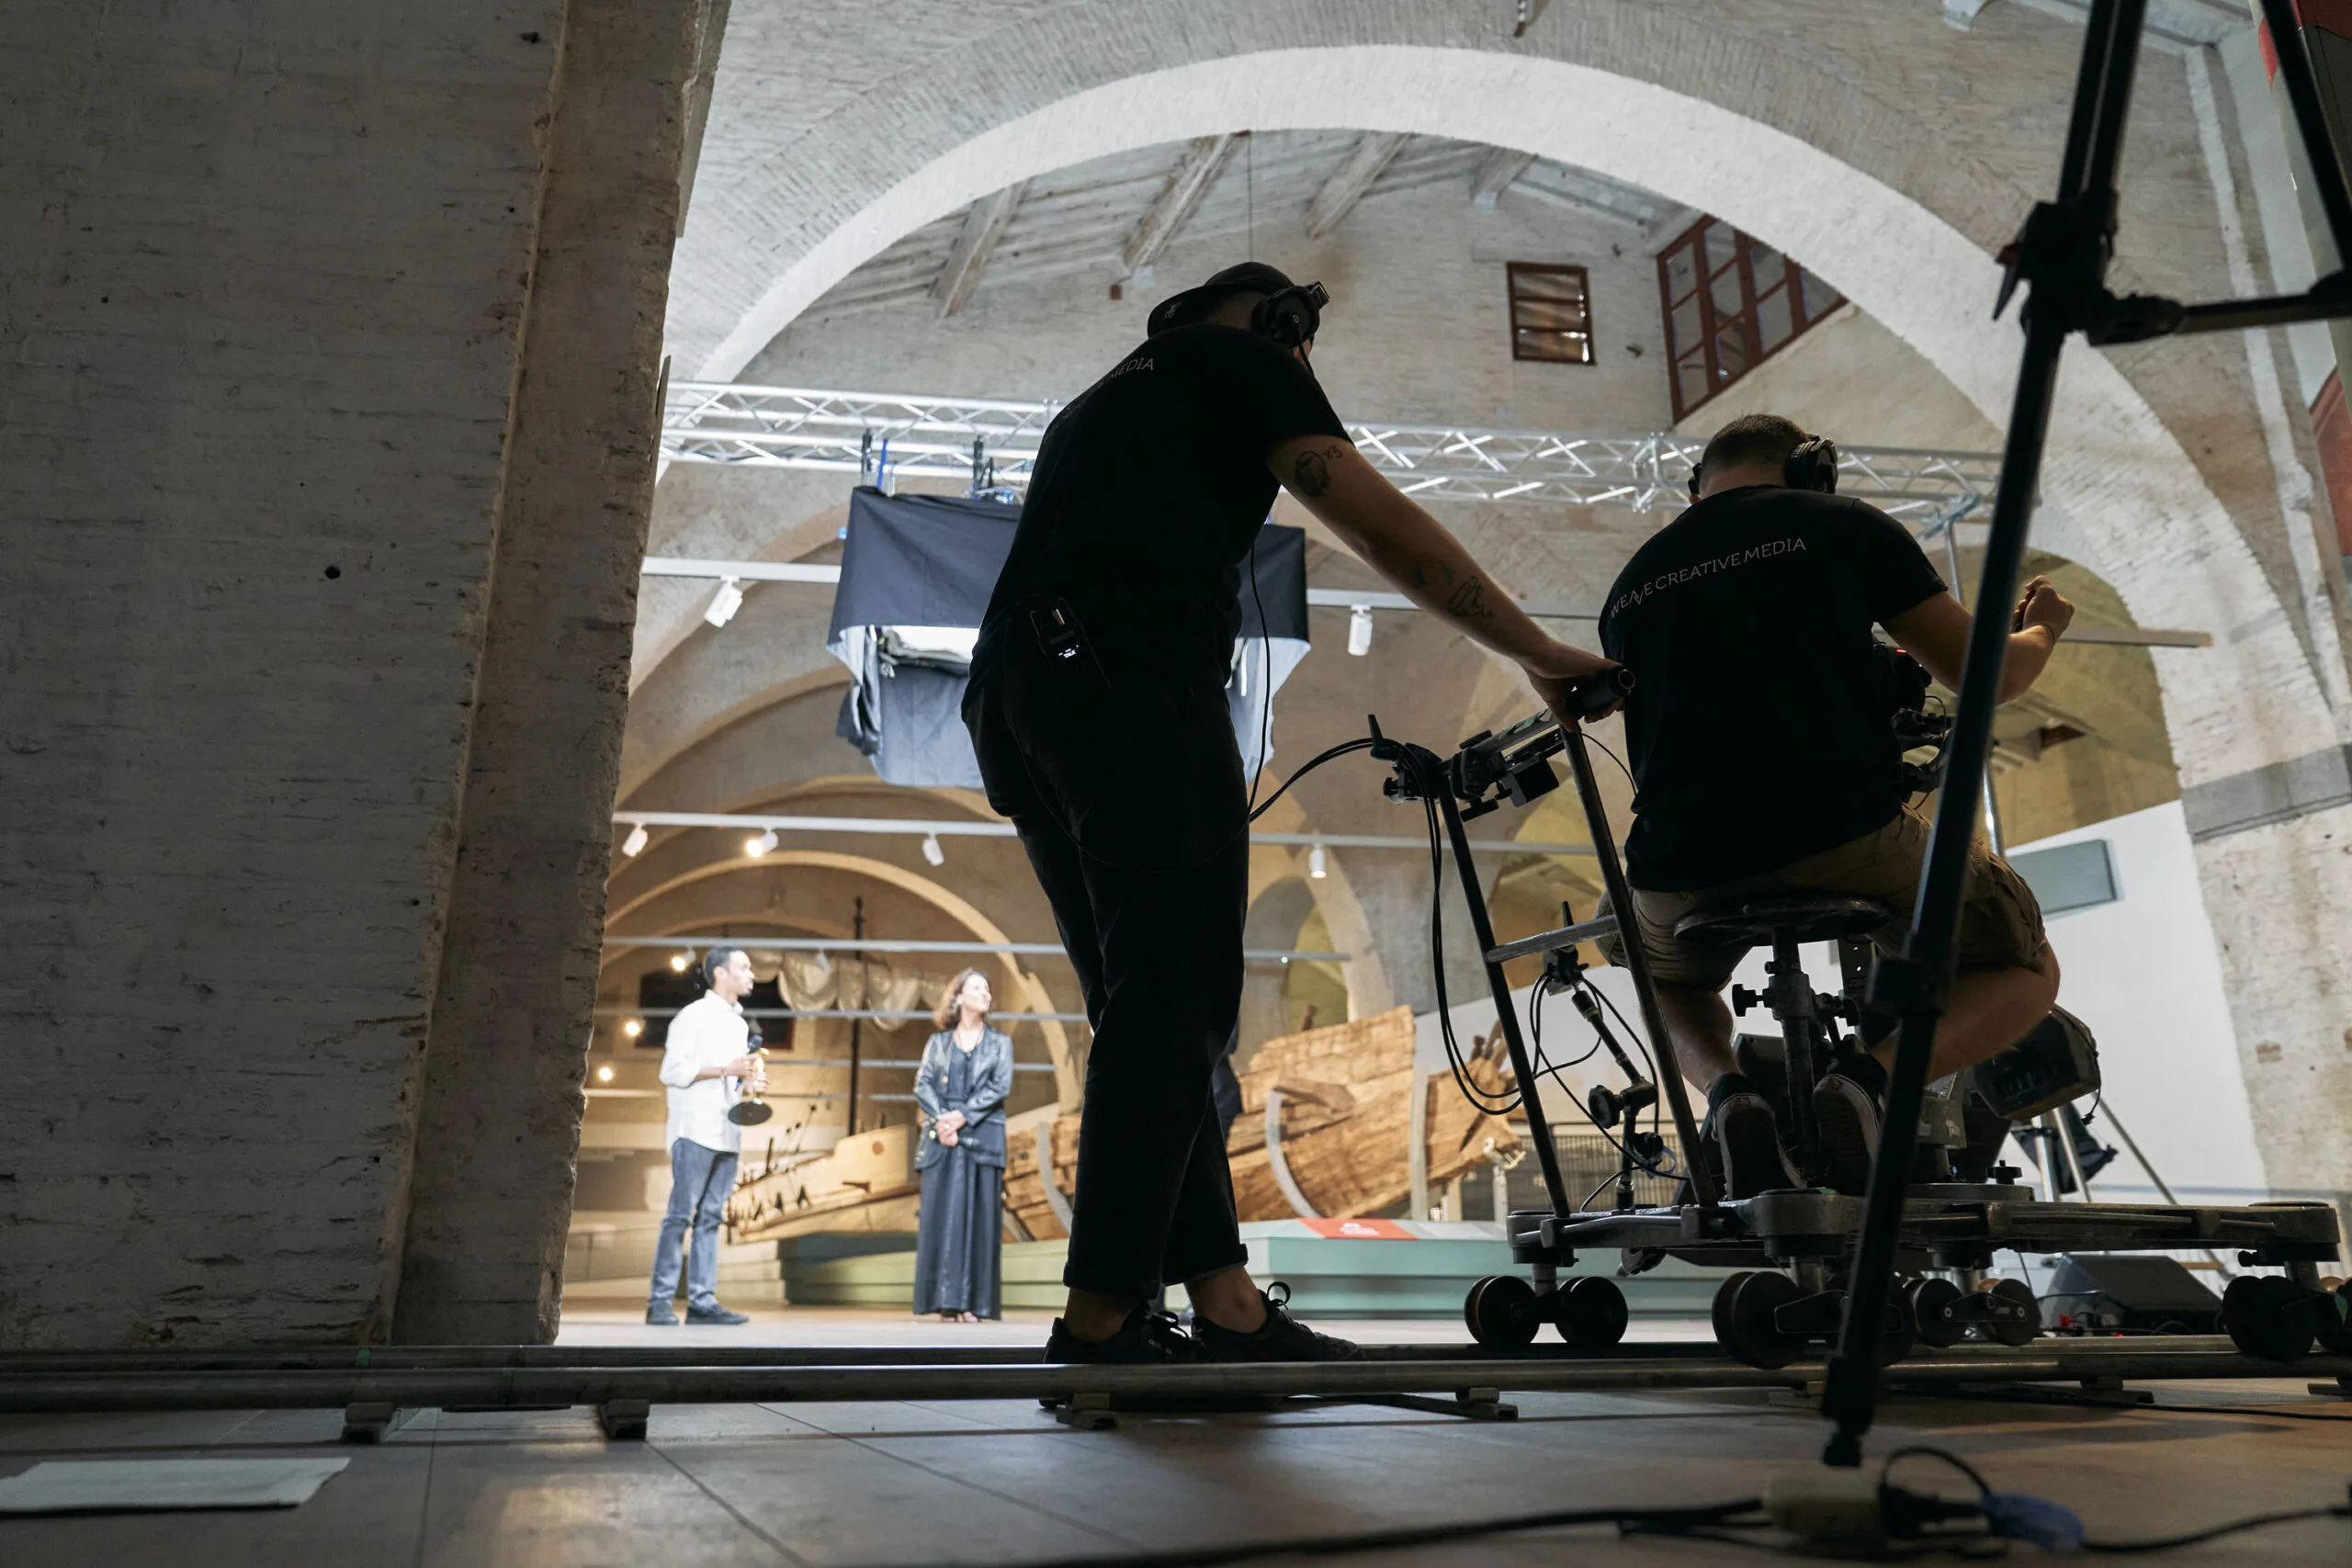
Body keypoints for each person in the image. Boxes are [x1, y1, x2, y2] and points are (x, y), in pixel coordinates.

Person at [963, 261, 1620, 1364]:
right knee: (1178, 999)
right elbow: (1377, 523)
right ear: (1276, 322)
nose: (1306, 361)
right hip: (1127, 682)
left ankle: (1221, 1299)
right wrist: (1535, 650)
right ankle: (1101, 1318)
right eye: (1300, 338)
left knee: (1145, 1005)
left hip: (1021, 694)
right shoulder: (1242, 358)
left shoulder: (1098, 404)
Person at [1595, 412, 2072, 1199]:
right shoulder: (1842, 524)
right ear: (1813, 468)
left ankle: (1729, 1092)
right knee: (2025, 968)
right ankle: (1863, 1084)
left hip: (1675, 866)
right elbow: (1991, 675)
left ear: (1696, 489)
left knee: (1660, 976)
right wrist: (2044, 629)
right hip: (1843, 836)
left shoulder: (1631, 584)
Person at [647, 945, 768, 1325]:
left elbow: (731, 1078)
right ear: (720, 973)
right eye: (744, 967)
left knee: (712, 1218)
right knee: (680, 1216)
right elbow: (671, 1071)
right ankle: (660, 1302)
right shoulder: (692, 1016)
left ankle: (702, 1301)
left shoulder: (739, 1024)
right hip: (695, 1130)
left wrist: (748, 1084)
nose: (752, 974)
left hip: (728, 1132)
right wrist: (725, 1069)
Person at [911, 968, 1014, 1322]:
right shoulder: (937, 1043)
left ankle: (974, 1303)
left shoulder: (1000, 1043)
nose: (986, 993)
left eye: (988, 988)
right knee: (940, 1220)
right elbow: (923, 1084)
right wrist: (943, 1120)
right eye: (977, 987)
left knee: (981, 1221)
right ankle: (945, 1302)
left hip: (982, 1137)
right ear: (958, 998)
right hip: (942, 1139)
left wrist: (961, 1117)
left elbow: (1000, 1087)